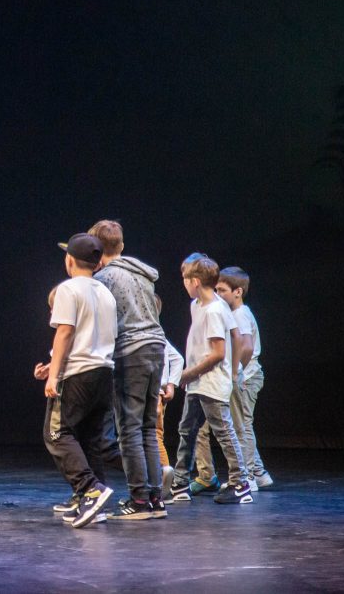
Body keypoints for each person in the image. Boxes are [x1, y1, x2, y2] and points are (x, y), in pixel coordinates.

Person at [34, 233, 117, 528]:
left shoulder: (68, 289)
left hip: (78, 373)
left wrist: (54, 374)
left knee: (56, 434)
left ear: (70, 259)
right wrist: (52, 365)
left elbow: (66, 332)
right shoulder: (105, 292)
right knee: (90, 439)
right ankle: (93, 504)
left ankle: (90, 489)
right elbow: (89, 336)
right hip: (103, 372)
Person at [87, 220, 168, 520]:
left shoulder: (104, 278)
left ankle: (139, 500)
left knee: (130, 429)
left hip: (131, 350)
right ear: (121, 245)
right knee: (147, 426)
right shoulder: (143, 274)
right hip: (156, 346)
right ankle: (155, 498)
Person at [169, 253, 253, 505]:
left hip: (211, 383)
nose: (184, 283)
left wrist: (190, 373)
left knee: (224, 432)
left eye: (185, 279)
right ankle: (180, 482)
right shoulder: (198, 305)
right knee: (187, 430)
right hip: (198, 383)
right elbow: (235, 335)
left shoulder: (215, 310)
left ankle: (241, 483)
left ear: (195, 281)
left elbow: (218, 353)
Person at [193, 267, 274, 491]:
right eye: (216, 290)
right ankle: (259, 473)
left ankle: (248, 476)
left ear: (238, 292)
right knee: (239, 426)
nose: (218, 294)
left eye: (222, 290)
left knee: (241, 427)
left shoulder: (240, 314)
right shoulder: (232, 312)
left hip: (246, 378)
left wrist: (235, 372)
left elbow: (246, 347)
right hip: (242, 377)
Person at [152, 294, 184, 505]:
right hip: (160, 392)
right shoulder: (159, 334)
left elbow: (177, 359)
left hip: (152, 392)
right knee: (155, 435)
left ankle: (163, 472)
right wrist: (171, 384)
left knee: (151, 436)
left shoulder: (148, 335)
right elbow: (177, 358)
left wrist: (170, 384)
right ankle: (161, 480)